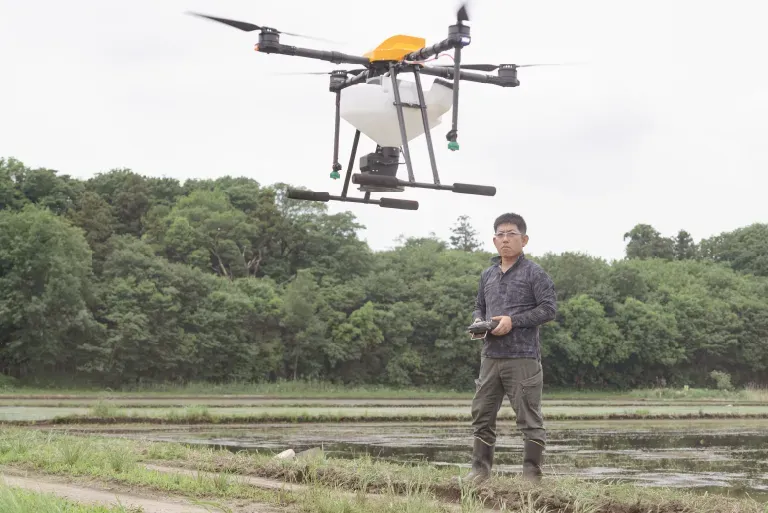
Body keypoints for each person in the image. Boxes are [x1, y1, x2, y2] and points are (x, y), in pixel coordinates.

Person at [463, 212, 557, 485]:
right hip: (490, 356)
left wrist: (512, 321)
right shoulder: (487, 274)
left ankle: (531, 476)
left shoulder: (535, 273)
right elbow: (479, 306)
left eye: (511, 234)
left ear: (524, 240)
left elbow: (549, 309)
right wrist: (478, 321)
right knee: (482, 414)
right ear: (494, 240)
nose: (505, 239)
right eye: (500, 234)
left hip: (523, 357)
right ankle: (479, 471)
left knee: (529, 418)